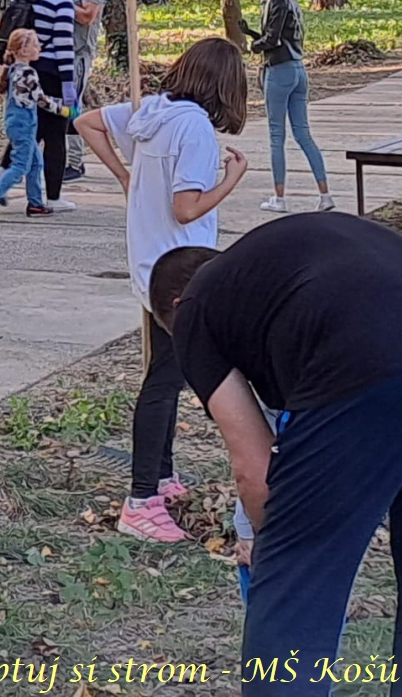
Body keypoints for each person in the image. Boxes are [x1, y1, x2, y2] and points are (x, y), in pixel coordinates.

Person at [148, 213, 402, 692]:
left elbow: (255, 471)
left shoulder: (196, 308)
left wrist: (269, 546)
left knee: (296, 586)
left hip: (370, 355)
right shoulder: (273, 273)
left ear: (176, 306)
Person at [75, 37, 249, 542]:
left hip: (151, 262)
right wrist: (233, 177)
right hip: (182, 270)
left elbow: (87, 122)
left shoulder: (152, 110)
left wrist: (127, 176)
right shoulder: (194, 129)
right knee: (165, 380)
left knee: (165, 372)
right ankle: (142, 499)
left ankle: (164, 474)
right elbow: (187, 208)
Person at [240, 0, 332, 215]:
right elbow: (282, 38)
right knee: (303, 134)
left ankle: (279, 198)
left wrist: (253, 45)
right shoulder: (291, 0)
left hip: (279, 72)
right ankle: (325, 194)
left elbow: (272, 40)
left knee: (276, 136)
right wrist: (252, 34)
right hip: (298, 70)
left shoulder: (277, 0)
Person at [0, 0, 78, 212]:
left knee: (31, 129)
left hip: (21, 67)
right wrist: (69, 85)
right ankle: (53, 196)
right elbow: (64, 45)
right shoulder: (63, 1)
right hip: (50, 71)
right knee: (55, 135)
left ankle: (2, 171)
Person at [0, 29, 78, 223]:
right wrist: (65, 111)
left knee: (36, 164)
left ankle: (35, 203)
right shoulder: (28, 73)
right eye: (35, 44)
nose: (39, 48)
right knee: (21, 165)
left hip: (19, 123)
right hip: (24, 124)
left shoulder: (14, 69)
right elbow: (41, 100)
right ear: (23, 49)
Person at [52, 0, 107, 182]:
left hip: (79, 55)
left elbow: (87, 16)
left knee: (71, 107)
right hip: (58, 55)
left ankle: (75, 162)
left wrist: (63, 2)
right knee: (58, 108)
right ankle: (59, 158)